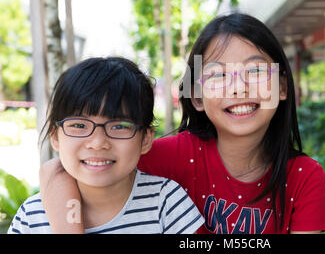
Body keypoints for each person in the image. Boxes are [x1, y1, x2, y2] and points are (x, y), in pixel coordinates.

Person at [40, 13, 325, 234]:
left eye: (256, 70)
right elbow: (59, 168)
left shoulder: (303, 176)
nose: (238, 88)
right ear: (195, 97)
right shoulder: (175, 154)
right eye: (218, 75)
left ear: (283, 87)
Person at [8, 57, 204, 234]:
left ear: (145, 139)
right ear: (55, 137)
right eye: (79, 125)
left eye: (119, 126)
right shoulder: (32, 218)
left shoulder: (166, 201)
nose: (98, 142)